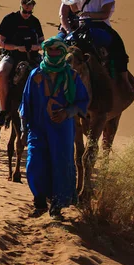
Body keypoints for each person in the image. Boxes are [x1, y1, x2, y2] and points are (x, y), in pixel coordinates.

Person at [20, 37, 89, 218]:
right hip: (38, 126)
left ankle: (57, 205)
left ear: (63, 52)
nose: (53, 54)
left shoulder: (72, 76)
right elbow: (25, 103)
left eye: (57, 51)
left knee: (61, 163)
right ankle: (40, 201)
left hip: (62, 128)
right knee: (34, 162)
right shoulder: (35, 75)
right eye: (50, 51)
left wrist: (67, 113)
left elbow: (82, 101)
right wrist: (23, 128)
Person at [68, 0, 134, 92]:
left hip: (100, 25)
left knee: (118, 49)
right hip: (83, 26)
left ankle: (125, 82)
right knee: (65, 44)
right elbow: (74, 9)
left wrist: (88, 15)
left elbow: (105, 14)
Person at [0, 0, 44, 128]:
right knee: (1, 73)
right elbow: (1, 42)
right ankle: (3, 110)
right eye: (25, 11)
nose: (27, 14)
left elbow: (42, 41)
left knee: (47, 75)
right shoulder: (9, 19)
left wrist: (37, 46)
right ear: (21, 6)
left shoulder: (35, 22)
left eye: (30, 12)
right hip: (12, 55)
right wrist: (16, 47)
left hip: (32, 56)